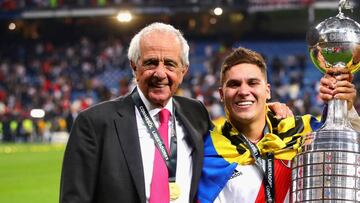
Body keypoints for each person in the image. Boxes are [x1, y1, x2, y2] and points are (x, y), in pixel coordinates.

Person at [197, 47, 359, 203]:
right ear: (221, 94)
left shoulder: (300, 131)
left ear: (267, 91)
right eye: (234, 84)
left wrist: (345, 106)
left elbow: (351, 150)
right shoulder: (206, 145)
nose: (244, 91)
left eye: (253, 83)